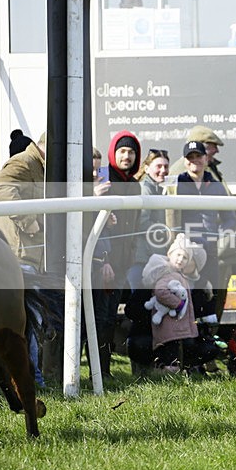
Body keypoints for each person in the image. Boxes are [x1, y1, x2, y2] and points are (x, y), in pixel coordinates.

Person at [0, 130, 48, 387]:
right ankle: (30, 377)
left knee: (29, 320)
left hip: (29, 255)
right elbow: (1, 189)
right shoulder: (24, 162)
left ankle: (23, 376)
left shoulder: (38, 165)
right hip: (18, 253)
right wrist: (29, 222)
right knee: (26, 320)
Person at [166, 141, 236, 324]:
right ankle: (185, 341)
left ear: (206, 159)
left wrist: (221, 236)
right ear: (184, 161)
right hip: (185, 253)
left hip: (211, 251)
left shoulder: (216, 186)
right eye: (190, 157)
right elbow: (168, 215)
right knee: (185, 294)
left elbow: (230, 217)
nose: (194, 161)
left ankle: (207, 341)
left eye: (198, 156)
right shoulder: (177, 184)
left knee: (210, 296)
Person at [93, 131, 142, 378]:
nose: (127, 156)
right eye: (122, 151)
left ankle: (104, 369)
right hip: (104, 262)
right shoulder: (104, 180)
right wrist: (106, 259)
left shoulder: (135, 186)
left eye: (131, 151)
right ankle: (98, 371)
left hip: (122, 264)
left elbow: (135, 226)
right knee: (100, 318)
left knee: (110, 318)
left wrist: (130, 256)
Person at [139, 234, 206, 373]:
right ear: (170, 254)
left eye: (185, 257)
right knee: (170, 350)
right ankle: (167, 374)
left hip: (175, 325)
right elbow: (160, 291)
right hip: (168, 324)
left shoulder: (177, 274)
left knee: (174, 349)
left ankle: (171, 372)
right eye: (178, 255)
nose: (181, 259)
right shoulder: (167, 273)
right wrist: (178, 304)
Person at [128, 148, 170, 292]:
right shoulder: (145, 189)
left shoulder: (158, 189)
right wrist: (166, 230)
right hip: (142, 258)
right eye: (159, 166)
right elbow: (141, 223)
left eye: (166, 166)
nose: (163, 170)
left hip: (149, 256)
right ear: (146, 168)